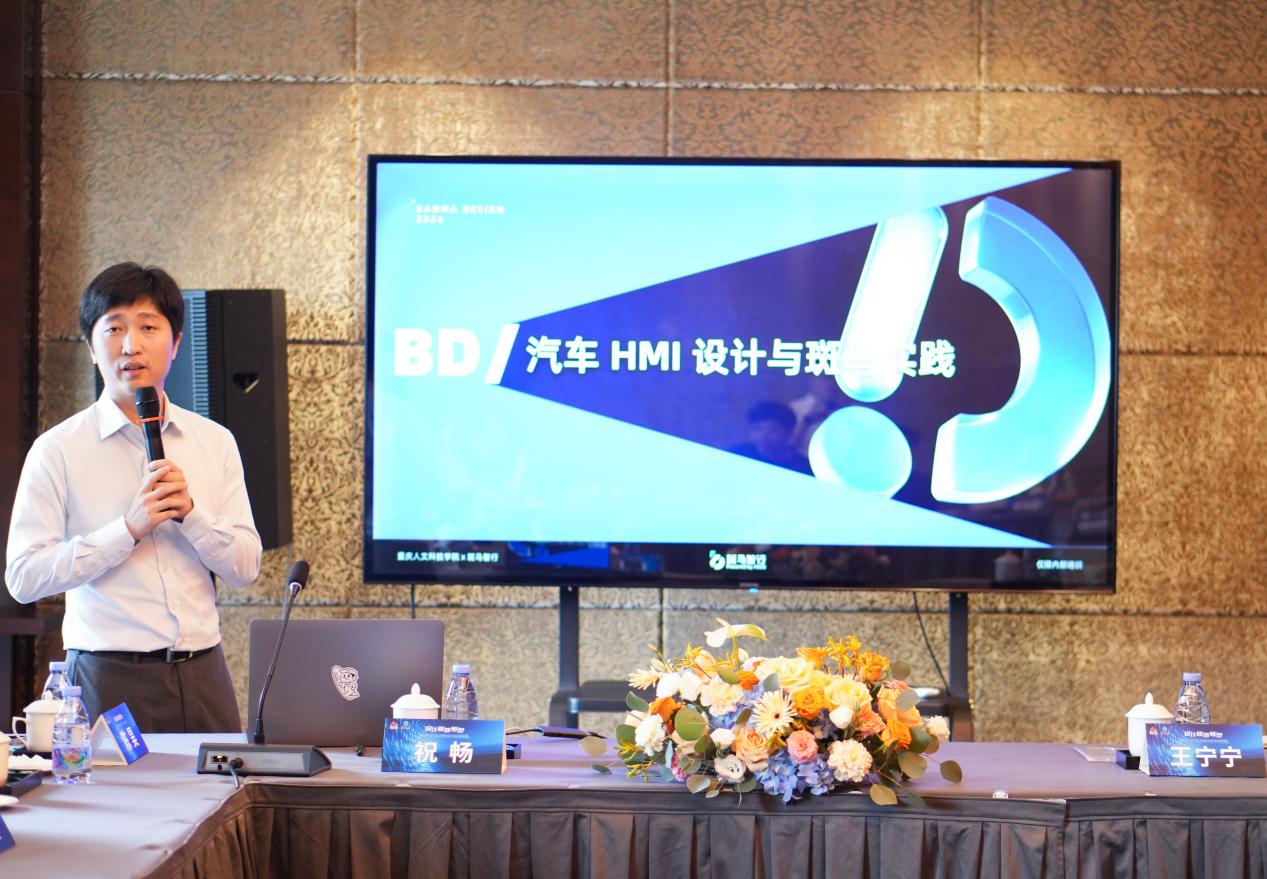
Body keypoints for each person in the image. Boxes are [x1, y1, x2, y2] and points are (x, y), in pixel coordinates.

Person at [5, 262, 261, 732]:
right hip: (106, 675)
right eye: (114, 328)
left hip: (203, 674)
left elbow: (245, 567)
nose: (131, 345)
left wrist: (192, 516)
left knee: (222, 784)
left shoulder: (214, 441)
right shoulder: (58, 449)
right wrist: (126, 530)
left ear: (176, 343)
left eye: (147, 327)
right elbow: (23, 577)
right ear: (90, 346)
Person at [730, 400, 813, 475]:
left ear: (789, 432)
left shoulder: (804, 467)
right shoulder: (736, 456)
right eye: (757, 428)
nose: (763, 435)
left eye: (771, 429)